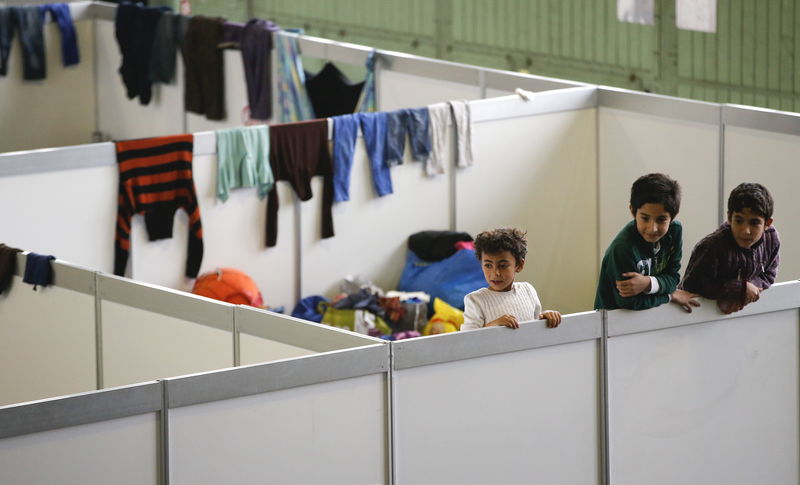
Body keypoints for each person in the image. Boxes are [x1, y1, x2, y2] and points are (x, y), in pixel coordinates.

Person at [594, 173, 699, 312]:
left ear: (673, 216)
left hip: (650, 317)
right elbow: (630, 303)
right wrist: (669, 296)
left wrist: (648, 283)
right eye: (645, 218)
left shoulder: (675, 231)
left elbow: (673, 278)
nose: (652, 228)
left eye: (661, 220)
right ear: (633, 211)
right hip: (612, 325)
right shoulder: (621, 249)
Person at [680, 182, 780, 314]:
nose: (746, 231)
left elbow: (769, 274)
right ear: (729, 217)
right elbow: (692, 286)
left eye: (754, 223)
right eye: (739, 220)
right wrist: (739, 289)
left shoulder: (771, 239)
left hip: (741, 316)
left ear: (767, 223)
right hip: (696, 315)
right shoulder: (712, 247)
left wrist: (749, 288)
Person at [461, 227, 561, 330]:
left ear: (519, 265)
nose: (496, 273)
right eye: (488, 265)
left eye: (503, 265)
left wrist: (546, 317)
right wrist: (494, 325)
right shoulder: (475, 300)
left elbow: (534, 323)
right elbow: (468, 339)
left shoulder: (528, 290)